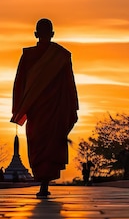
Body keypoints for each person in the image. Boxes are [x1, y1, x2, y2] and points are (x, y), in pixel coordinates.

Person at [11, 18, 79, 198]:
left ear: (36, 34)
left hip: (45, 109)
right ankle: (44, 183)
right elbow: (70, 85)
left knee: (40, 145)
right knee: (46, 145)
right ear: (52, 34)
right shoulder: (58, 56)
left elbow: (19, 85)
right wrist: (73, 107)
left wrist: (18, 107)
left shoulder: (59, 56)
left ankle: (43, 183)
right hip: (45, 110)